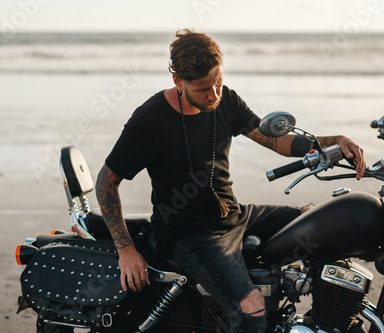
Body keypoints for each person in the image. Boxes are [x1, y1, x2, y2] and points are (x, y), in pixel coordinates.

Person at [96, 29, 366, 333]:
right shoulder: (151, 119)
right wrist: (125, 249)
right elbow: (106, 181)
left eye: (218, 83)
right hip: (190, 233)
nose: (214, 95)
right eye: (203, 89)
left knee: (318, 220)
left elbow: (277, 141)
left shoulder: (226, 100)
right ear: (178, 82)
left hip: (233, 214)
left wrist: (333, 143)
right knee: (251, 307)